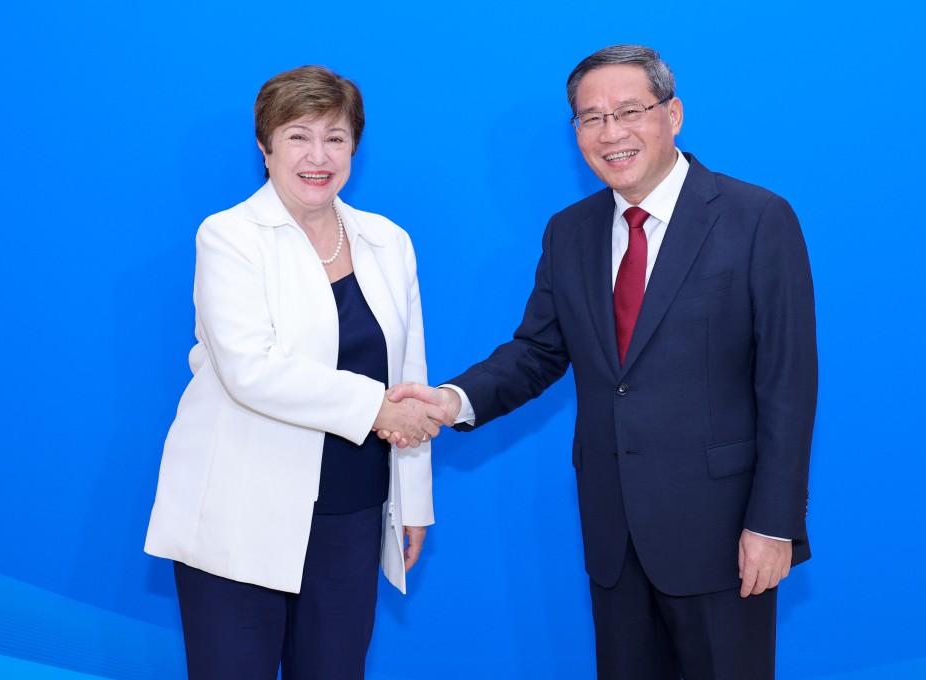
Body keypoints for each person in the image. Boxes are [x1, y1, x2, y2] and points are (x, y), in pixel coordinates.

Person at [386, 45, 817, 679]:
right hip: (615, 535)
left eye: (629, 111)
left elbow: (788, 382)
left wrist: (774, 525)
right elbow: (536, 352)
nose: (611, 133)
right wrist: (451, 402)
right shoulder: (570, 231)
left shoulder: (757, 219)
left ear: (673, 115)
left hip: (726, 536)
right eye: (591, 118)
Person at [144, 65, 446, 680]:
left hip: (353, 515)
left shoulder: (388, 241)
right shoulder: (229, 236)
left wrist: (412, 500)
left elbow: (408, 375)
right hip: (240, 510)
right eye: (297, 136)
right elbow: (251, 370)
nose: (318, 156)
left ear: (354, 147)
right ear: (266, 146)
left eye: (335, 137)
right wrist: (377, 409)